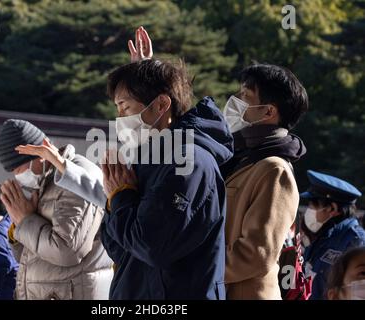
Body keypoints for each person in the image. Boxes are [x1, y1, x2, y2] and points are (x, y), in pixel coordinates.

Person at [17, 26, 233, 300]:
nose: (120, 119)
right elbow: (119, 246)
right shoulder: (152, 159)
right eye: (117, 110)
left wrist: (121, 198)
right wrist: (116, 200)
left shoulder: (189, 162)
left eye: (125, 108)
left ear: (161, 105)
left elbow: (152, 245)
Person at [0, 119, 113, 300]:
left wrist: (25, 221)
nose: (17, 176)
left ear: (41, 152)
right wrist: (17, 227)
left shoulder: (76, 176)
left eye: (19, 167)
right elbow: (28, 257)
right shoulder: (41, 186)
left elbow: (68, 251)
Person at [220, 63, 309, 299]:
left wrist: (198, 267)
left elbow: (256, 254)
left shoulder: (274, 169)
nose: (235, 102)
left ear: (268, 112)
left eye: (245, 97)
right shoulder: (242, 156)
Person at [300, 170, 365, 299]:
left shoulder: (357, 242)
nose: (308, 210)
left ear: (332, 209)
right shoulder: (321, 235)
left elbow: (358, 294)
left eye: (312, 205)